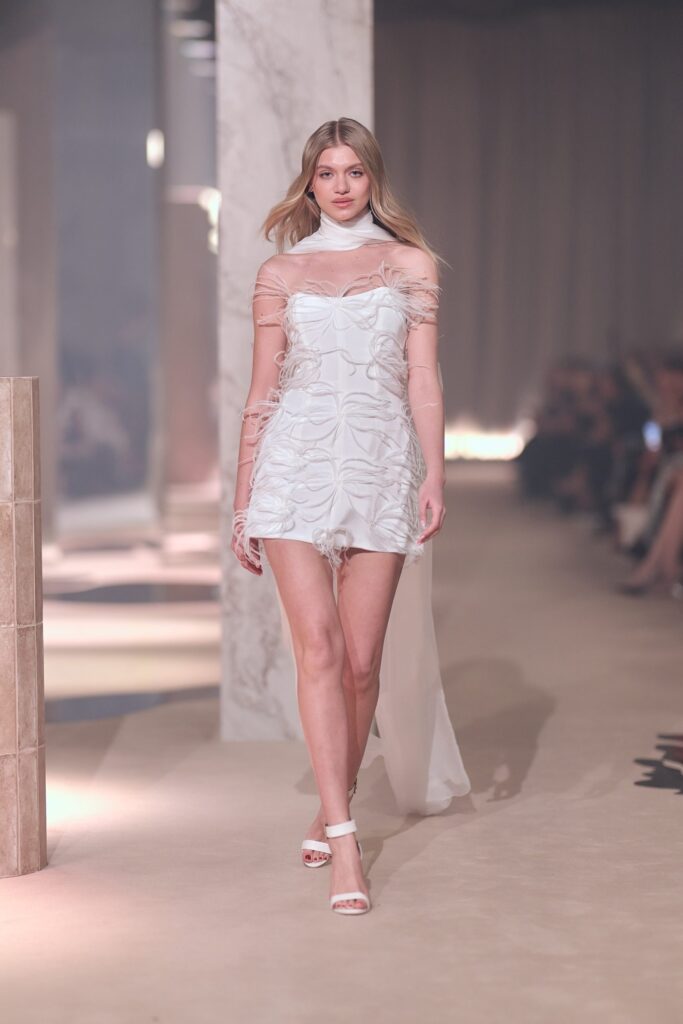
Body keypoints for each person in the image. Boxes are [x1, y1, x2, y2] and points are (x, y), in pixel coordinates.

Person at [231, 117, 470, 916]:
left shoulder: (409, 264)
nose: (340, 186)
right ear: (309, 182)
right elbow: (261, 391)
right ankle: (343, 840)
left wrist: (433, 472)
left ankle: (336, 798)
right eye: (326, 173)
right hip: (293, 467)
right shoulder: (280, 271)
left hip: (378, 463)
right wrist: (242, 501)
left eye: (354, 172)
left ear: (373, 178)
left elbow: (423, 378)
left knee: (362, 664)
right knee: (320, 651)